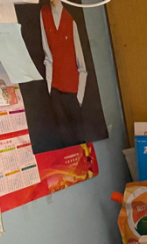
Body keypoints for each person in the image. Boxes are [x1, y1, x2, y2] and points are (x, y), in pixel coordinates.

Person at [40, 0, 88, 146]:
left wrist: (78, 98)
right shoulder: (43, 13)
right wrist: (50, 89)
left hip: (72, 93)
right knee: (63, 142)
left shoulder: (70, 19)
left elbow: (82, 66)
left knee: (79, 142)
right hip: (55, 91)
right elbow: (48, 55)